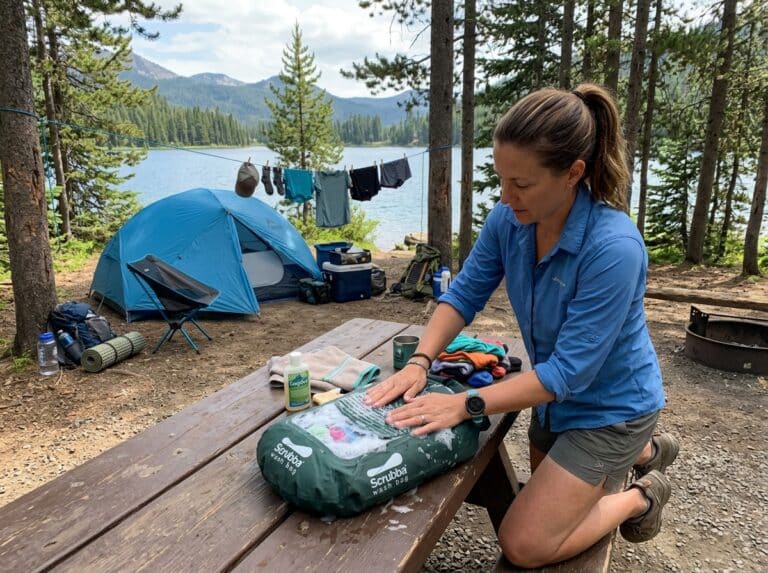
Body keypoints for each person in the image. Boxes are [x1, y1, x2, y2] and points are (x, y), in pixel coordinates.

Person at [364, 83, 680, 568]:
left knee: (524, 542)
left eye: (523, 185)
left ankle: (644, 492)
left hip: (611, 406)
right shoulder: (508, 221)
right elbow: (465, 293)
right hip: (554, 405)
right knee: (550, 498)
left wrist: (465, 404)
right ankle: (645, 451)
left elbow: (567, 375)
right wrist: (421, 362)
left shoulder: (613, 249)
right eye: (501, 180)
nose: (507, 197)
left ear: (574, 173)